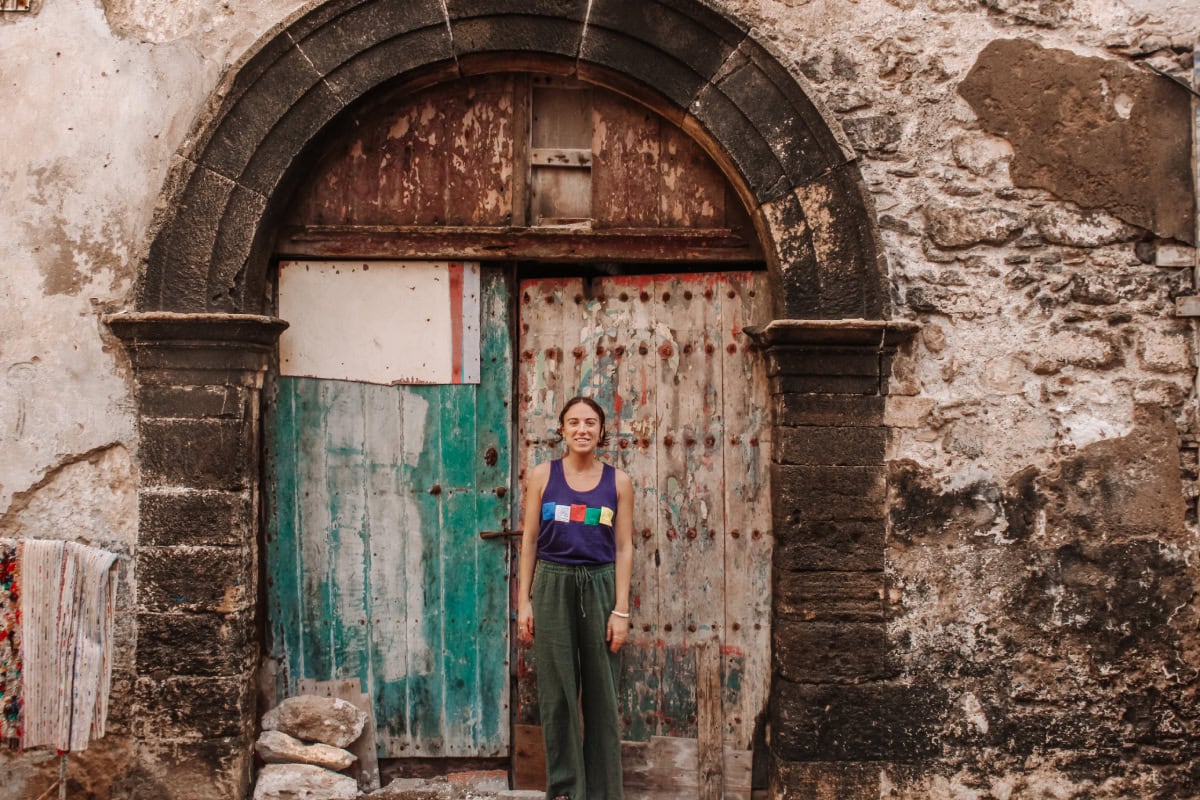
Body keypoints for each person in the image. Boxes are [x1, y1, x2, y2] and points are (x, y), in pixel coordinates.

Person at [517, 396, 634, 800]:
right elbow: (530, 540)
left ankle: (603, 791)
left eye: (590, 422)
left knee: (601, 694)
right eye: (573, 422)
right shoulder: (542, 476)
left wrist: (621, 609)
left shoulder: (618, 482)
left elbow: (623, 548)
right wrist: (525, 602)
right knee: (557, 693)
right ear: (562, 430)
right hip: (552, 584)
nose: (582, 429)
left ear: (602, 431)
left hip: (600, 586)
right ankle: (566, 789)